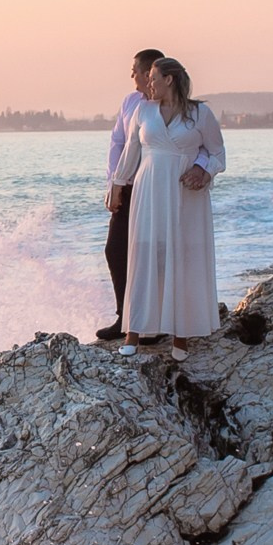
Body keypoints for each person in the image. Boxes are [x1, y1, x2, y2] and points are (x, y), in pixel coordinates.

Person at [109, 56, 225, 360]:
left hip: (186, 193)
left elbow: (217, 152)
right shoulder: (143, 110)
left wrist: (204, 170)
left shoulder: (201, 113)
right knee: (144, 253)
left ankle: (181, 337)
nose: (148, 84)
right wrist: (117, 184)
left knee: (182, 257)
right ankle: (133, 332)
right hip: (149, 190)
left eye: (153, 79)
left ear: (169, 80)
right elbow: (131, 151)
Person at [97, 49, 164, 343]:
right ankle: (124, 317)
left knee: (152, 252)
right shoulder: (130, 101)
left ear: (150, 71)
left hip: (156, 187)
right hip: (128, 186)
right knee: (115, 249)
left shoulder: (170, 104)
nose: (132, 74)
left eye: (135, 69)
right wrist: (115, 182)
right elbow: (118, 142)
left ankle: (155, 322)